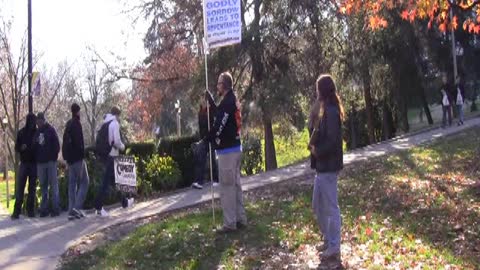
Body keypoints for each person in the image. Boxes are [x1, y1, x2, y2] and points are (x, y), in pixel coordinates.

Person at [204, 71, 246, 233]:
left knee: (227, 188)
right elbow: (222, 115)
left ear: (225, 85)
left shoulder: (228, 102)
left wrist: (207, 139)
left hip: (228, 151)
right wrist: (212, 102)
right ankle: (241, 218)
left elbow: (219, 126)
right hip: (235, 148)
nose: (217, 86)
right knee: (235, 185)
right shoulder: (230, 100)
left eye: (219, 83)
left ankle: (230, 223)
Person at [308, 74, 344, 262]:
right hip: (322, 166)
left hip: (328, 166)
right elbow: (317, 132)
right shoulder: (323, 109)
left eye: (317, 88)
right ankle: (328, 239)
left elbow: (332, 141)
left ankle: (334, 246)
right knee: (317, 205)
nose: (316, 92)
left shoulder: (331, 111)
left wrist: (317, 151)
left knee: (330, 207)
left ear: (323, 89)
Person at [94, 106, 125, 217]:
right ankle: (98, 207)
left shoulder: (105, 123)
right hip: (112, 155)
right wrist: (123, 147)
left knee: (115, 180)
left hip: (106, 155)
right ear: (117, 114)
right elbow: (116, 141)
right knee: (106, 183)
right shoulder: (114, 123)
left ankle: (125, 202)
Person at [62, 103, 89, 220]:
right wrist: (82, 154)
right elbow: (79, 143)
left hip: (70, 160)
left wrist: (66, 158)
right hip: (78, 159)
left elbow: (64, 141)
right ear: (77, 111)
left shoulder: (68, 124)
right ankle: (76, 208)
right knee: (85, 182)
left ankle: (71, 210)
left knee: (72, 185)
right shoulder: (77, 124)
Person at [33, 112, 61, 217]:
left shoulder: (50, 130)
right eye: (37, 122)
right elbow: (34, 146)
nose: (38, 123)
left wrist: (53, 156)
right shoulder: (37, 133)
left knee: (53, 185)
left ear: (43, 120)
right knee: (43, 186)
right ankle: (44, 209)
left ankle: (55, 208)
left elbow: (57, 145)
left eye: (40, 121)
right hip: (40, 163)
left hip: (50, 162)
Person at [11, 113, 37, 220]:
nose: (32, 124)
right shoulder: (21, 132)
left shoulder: (37, 133)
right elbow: (16, 147)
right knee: (21, 187)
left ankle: (30, 210)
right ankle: (17, 210)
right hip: (25, 163)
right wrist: (21, 147)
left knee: (32, 188)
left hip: (33, 163)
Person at [192, 102, 219, 189]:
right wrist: (201, 139)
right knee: (201, 160)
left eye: (205, 101)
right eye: (202, 101)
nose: (203, 103)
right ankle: (199, 181)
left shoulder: (210, 111)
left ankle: (216, 179)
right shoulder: (200, 113)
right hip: (204, 139)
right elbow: (201, 128)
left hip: (210, 138)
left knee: (212, 159)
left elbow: (215, 119)